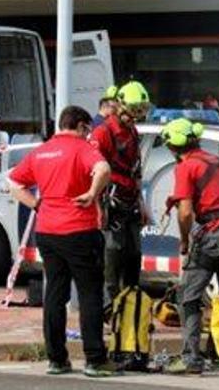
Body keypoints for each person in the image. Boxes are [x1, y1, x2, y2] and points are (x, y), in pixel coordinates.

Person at [7, 106, 119, 377]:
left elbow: (13, 182)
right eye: (88, 128)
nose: (89, 133)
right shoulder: (81, 148)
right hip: (80, 229)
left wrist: (36, 205)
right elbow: (103, 169)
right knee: (90, 293)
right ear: (80, 126)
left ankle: (56, 359)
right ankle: (94, 359)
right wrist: (93, 193)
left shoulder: (41, 151)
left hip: (47, 231)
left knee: (55, 295)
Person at [161, 118, 219, 377]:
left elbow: (185, 212)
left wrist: (184, 240)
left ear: (174, 145)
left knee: (188, 299)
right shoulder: (215, 160)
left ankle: (191, 359)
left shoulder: (186, 166)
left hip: (211, 237)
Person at [90, 81, 150, 303]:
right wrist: (98, 208)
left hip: (130, 202)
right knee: (112, 256)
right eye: (132, 111)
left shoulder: (131, 131)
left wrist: (141, 202)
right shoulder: (103, 132)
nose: (135, 116)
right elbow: (93, 171)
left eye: (139, 112)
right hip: (110, 203)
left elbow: (136, 169)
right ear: (119, 106)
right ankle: (110, 308)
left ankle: (130, 306)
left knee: (134, 255)